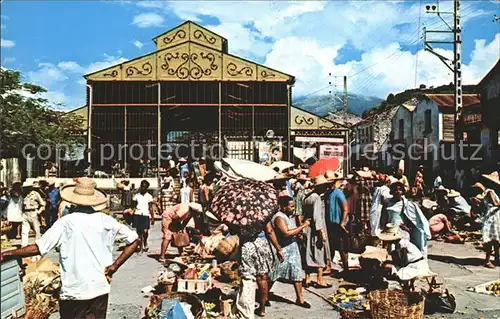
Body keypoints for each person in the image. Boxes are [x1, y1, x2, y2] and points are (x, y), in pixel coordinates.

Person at [0, 177, 140, 319]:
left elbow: (38, 248)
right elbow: (134, 240)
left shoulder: (66, 223)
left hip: (74, 291)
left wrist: (9, 253)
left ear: (73, 199)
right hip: (99, 288)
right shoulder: (106, 220)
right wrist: (114, 266)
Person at [269, 196, 311, 313]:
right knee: (274, 274)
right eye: (291, 206)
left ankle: (300, 299)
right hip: (283, 250)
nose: (293, 209)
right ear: (283, 207)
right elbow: (286, 233)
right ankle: (264, 295)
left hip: (292, 249)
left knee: (297, 274)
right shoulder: (279, 217)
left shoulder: (287, 216)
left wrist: (298, 233)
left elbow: (290, 231)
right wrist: (303, 225)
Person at [378, 181, 431, 258]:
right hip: (390, 230)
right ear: (392, 191)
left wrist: (407, 228)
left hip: (401, 230)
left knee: (402, 249)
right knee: (390, 251)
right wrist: (383, 229)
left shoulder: (406, 204)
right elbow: (383, 217)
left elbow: (412, 219)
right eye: (395, 189)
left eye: (399, 189)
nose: (397, 191)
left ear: (402, 191)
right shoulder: (387, 202)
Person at [303, 175, 332, 288]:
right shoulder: (316, 198)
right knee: (319, 252)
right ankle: (320, 279)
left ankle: (308, 277)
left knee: (308, 252)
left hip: (307, 227)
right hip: (316, 228)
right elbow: (317, 217)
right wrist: (322, 233)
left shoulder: (307, 197)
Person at [325, 173, 350, 274]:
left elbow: (345, 209)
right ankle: (328, 266)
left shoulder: (338, 192)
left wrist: (342, 223)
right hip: (330, 224)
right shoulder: (327, 193)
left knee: (342, 247)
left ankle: (346, 268)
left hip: (338, 224)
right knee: (330, 245)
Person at [130, 180, 155, 253]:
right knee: (139, 232)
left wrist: (152, 218)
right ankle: (140, 246)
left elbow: (150, 208)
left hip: (145, 214)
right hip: (137, 214)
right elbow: (133, 206)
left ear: (147, 188)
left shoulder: (149, 196)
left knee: (145, 231)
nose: (143, 188)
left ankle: (145, 242)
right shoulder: (136, 196)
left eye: (145, 187)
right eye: (142, 186)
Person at [478, 188, 500, 268]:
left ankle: (497, 259)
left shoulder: (490, 192)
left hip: (495, 216)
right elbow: (495, 203)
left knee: (496, 240)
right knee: (491, 240)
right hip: (492, 218)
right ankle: (487, 261)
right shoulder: (490, 192)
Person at [22, 181, 45, 247]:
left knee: (36, 230)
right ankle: (24, 245)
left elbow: (43, 204)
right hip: (25, 213)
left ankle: (38, 245)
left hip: (33, 213)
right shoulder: (23, 195)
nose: (26, 189)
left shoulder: (36, 194)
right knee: (24, 230)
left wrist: (38, 212)